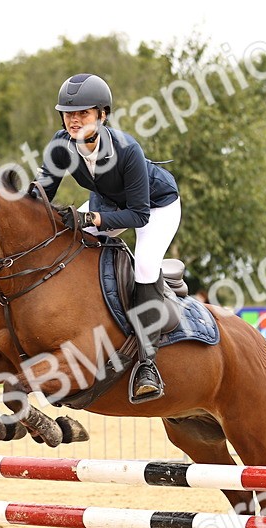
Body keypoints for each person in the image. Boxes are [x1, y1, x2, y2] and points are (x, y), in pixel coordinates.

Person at [35, 73, 181, 403]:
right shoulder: (61, 146)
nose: (74, 120)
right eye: (69, 114)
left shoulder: (127, 150)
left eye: (83, 113)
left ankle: (147, 363)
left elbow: (139, 216)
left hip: (155, 206)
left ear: (102, 115)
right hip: (109, 204)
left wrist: (94, 218)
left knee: (144, 264)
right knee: (72, 242)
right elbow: (40, 196)